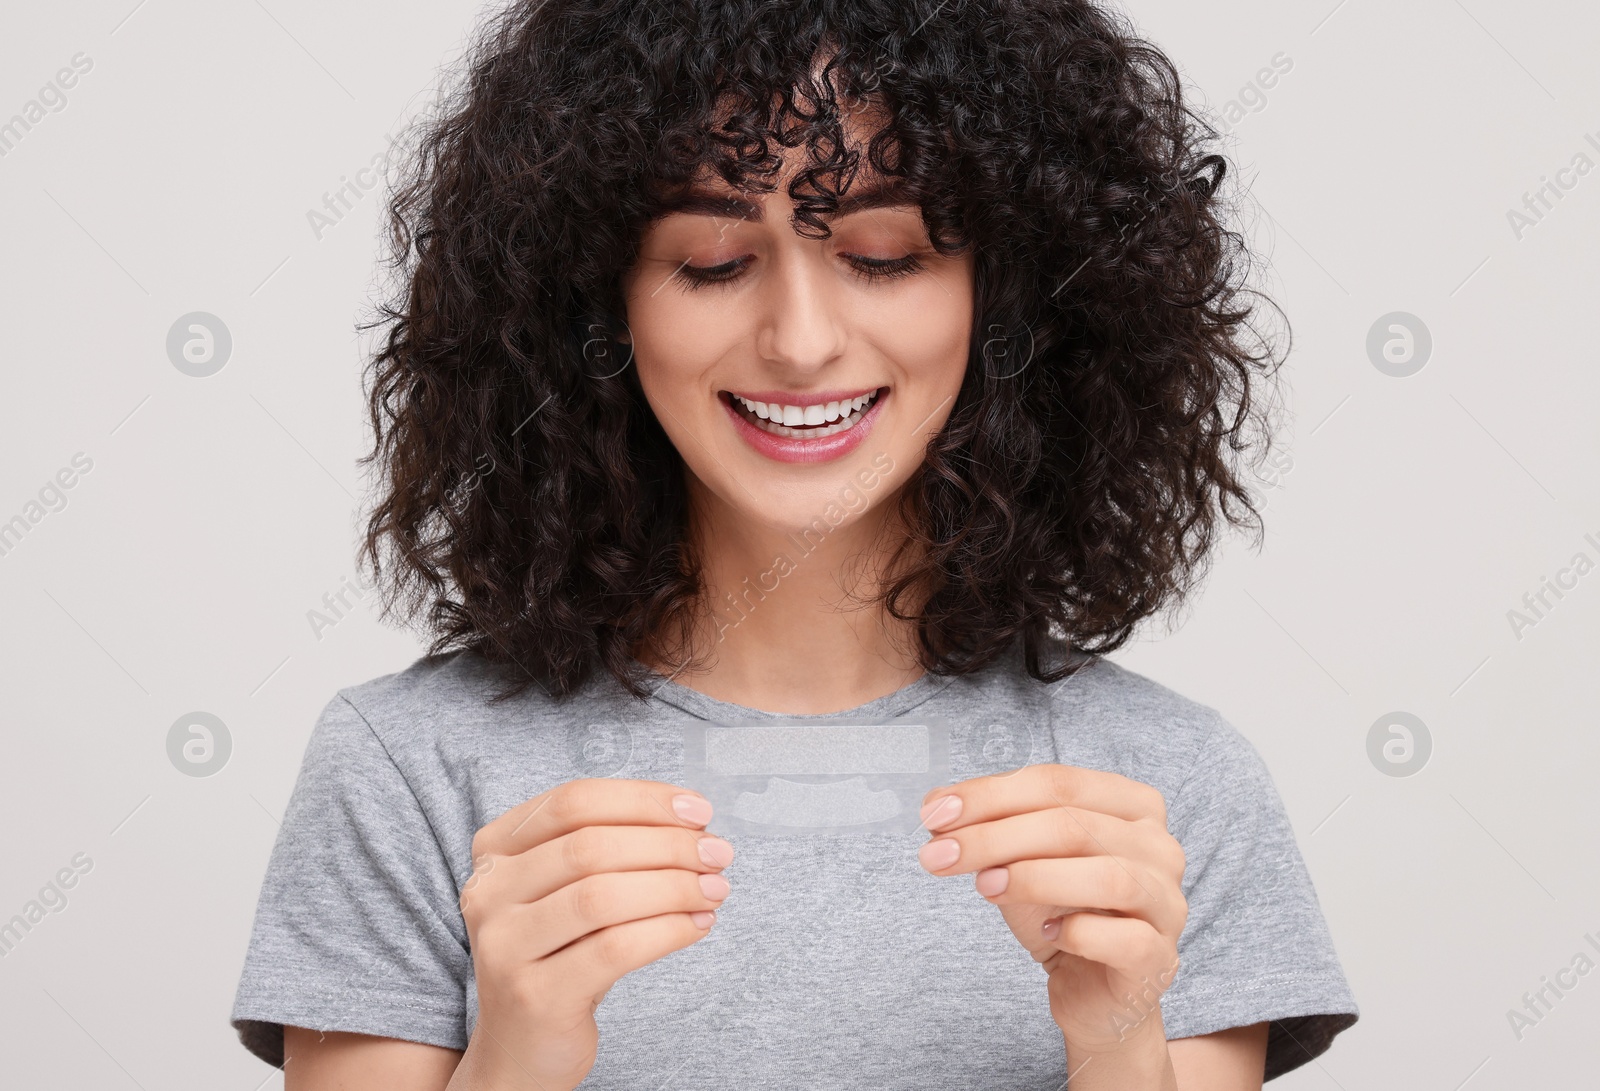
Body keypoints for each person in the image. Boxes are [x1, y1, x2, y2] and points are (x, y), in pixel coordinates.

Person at [231, 0, 1358, 1087]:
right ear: (594, 305)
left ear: (1007, 297)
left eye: (883, 254)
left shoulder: (1167, 789)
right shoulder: (405, 768)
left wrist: (1118, 1044)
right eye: (713, 261)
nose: (802, 342)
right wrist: (514, 1061)